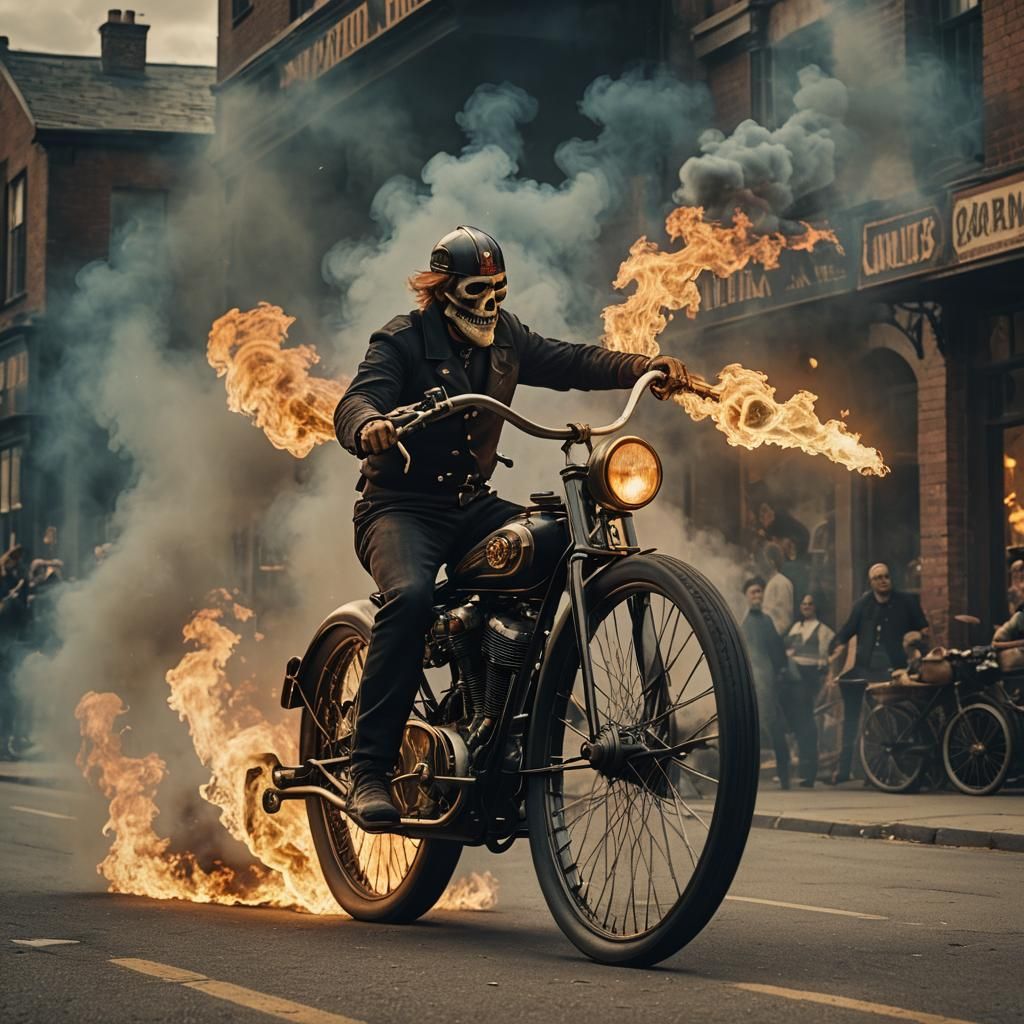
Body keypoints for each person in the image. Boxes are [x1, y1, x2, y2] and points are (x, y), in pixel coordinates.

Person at [333, 225, 695, 825]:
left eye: (499, 288)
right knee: (411, 597)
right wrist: (368, 423)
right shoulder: (400, 339)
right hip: (399, 507)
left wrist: (641, 367)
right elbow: (356, 399)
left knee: (552, 544)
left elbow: (571, 360)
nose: (490, 302)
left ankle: (504, 730)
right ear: (443, 290)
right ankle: (368, 770)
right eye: (478, 289)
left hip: (470, 505)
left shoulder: (505, 337)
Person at [828, 563, 929, 784]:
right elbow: (846, 632)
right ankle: (844, 770)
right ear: (871, 582)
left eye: (886, 576)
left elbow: (923, 630)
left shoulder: (906, 602)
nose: (883, 580)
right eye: (878, 578)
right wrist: (833, 653)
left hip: (892, 669)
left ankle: (880, 772)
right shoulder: (863, 605)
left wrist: (916, 640)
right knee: (851, 719)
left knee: (884, 721)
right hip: (864, 669)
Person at [740, 577, 791, 789]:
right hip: (756, 682)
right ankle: (749, 778)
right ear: (746, 596)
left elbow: (777, 649)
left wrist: (781, 669)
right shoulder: (745, 624)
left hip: (768, 682)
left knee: (775, 728)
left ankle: (785, 775)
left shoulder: (767, 621)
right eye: (753, 592)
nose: (757, 596)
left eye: (759, 592)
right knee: (756, 730)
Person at [784, 594, 834, 787]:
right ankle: (800, 769)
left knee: (808, 721)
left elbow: (827, 656)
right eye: (803, 604)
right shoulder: (796, 628)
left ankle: (809, 771)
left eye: (810, 604)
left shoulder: (823, 631)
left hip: (811, 677)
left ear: (816, 607)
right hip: (794, 678)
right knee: (798, 721)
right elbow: (786, 649)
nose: (806, 607)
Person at [762, 543, 794, 638]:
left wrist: (772, 636)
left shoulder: (781, 583)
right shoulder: (770, 582)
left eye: (764, 560)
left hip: (775, 637)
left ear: (771, 562)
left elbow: (785, 619)